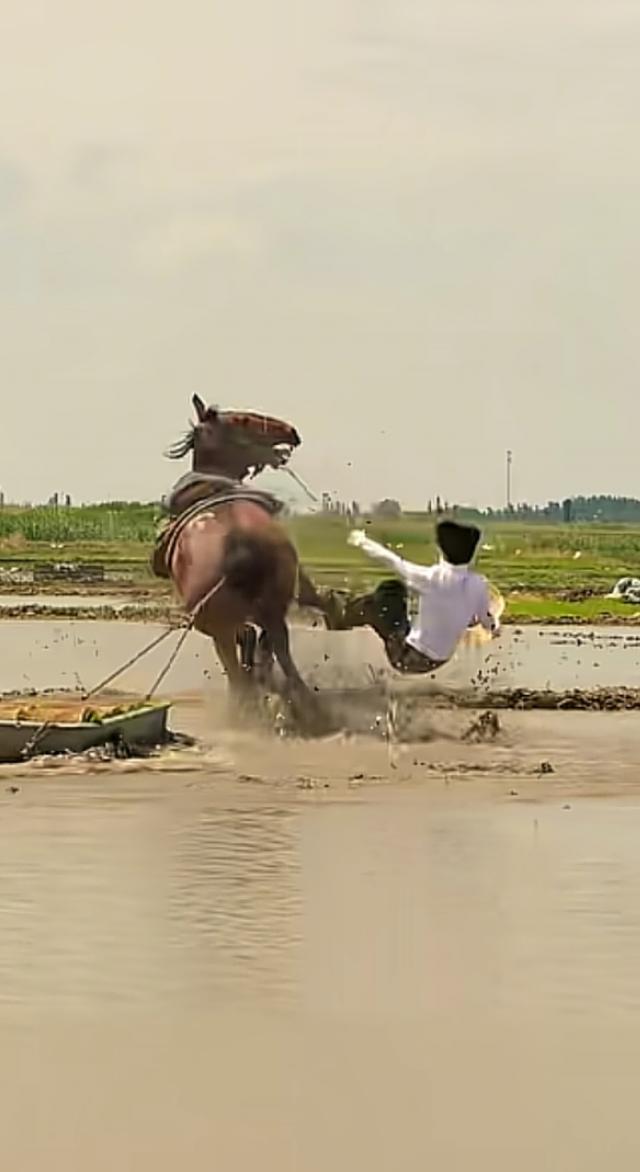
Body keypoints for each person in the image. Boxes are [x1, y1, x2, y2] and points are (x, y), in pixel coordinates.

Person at [347, 519, 500, 674]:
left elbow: (393, 561)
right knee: (400, 596)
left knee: (388, 592)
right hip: (439, 660)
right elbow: (486, 619)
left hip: (407, 657)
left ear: (442, 549)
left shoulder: (431, 578)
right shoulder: (478, 583)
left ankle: (337, 612)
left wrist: (362, 541)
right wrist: (493, 627)